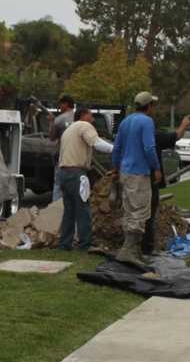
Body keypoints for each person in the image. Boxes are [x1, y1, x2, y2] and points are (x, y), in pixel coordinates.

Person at [109, 91, 162, 265]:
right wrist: (156, 167)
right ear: (149, 106)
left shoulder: (126, 121)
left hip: (126, 171)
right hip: (139, 172)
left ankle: (133, 250)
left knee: (130, 210)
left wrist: (116, 168)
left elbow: (117, 148)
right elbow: (149, 147)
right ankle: (128, 251)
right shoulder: (147, 122)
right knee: (140, 212)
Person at [57, 104, 113, 251]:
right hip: (77, 174)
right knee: (83, 210)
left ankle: (64, 244)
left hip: (63, 173)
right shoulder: (84, 125)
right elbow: (97, 144)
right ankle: (84, 244)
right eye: (91, 115)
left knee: (69, 211)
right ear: (83, 116)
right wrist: (116, 149)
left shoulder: (69, 130)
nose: (93, 119)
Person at [142, 112, 190, 256]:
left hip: (132, 175)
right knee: (148, 214)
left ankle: (138, 246)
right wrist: (184, 125)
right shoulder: (153, 137)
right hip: (148, 178)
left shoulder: (129, 129)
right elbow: (175, 136)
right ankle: (146, 247)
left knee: (138, 213)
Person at [48, 94, 75, 202]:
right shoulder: (79, 117)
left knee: (58, 185)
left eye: (61, 104)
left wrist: (51, 121)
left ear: (66, 104)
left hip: (62, 157)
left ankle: (55, 211)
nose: (59, 106)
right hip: (77, 159)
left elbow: (52, 137)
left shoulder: (59, 119)